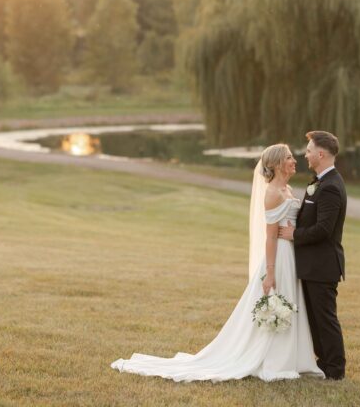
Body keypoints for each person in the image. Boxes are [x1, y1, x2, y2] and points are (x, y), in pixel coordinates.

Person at [110, 143, 324, 382]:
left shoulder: (287, 189)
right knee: (278, 299)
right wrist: (270, 272)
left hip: (291, 253)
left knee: (291, 301)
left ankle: (292, 357)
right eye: (289, 157)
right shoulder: (273, 193)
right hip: (280, 256)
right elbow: (271, 237)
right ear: (276, 164)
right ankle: (275, 359)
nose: (294, 160)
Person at [279, 130, 347, 380]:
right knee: (315, 319)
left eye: (308, 151)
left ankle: (335, 368)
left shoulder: (330, 187)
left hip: (322, 265)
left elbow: (324, 229)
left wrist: (294, 234)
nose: (305, 155)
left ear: (320, 154)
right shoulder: (319, 181)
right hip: (312, 264)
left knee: (325, 319)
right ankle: (324, 362)